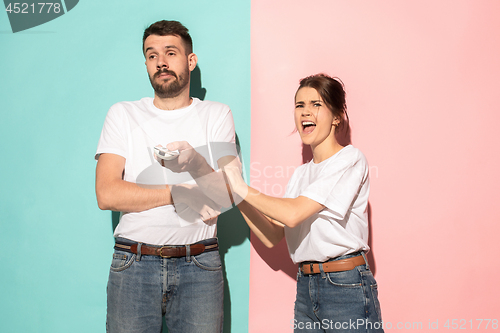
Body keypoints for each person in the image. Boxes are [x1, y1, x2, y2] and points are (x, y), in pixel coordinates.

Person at [95, 20, 237, 333]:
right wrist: (177, 192)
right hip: (133, 262)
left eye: (171, 53)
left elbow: (229, 193)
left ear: (190, 60)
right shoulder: (123, 113)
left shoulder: (217, 114)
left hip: (199, 265)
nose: (161, 61)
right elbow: (107, 194)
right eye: (152, 55)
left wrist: (197, 168)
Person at [224, 74, 384, 332]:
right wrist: (235, 195)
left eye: (316, 104)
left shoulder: (350, 159)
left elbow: (294, 213)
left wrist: (240, 185)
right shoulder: (301, 174)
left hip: (344, 284)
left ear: (336, 116)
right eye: (300, 105)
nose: (305, 112)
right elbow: (272, 235)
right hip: (306, 287)